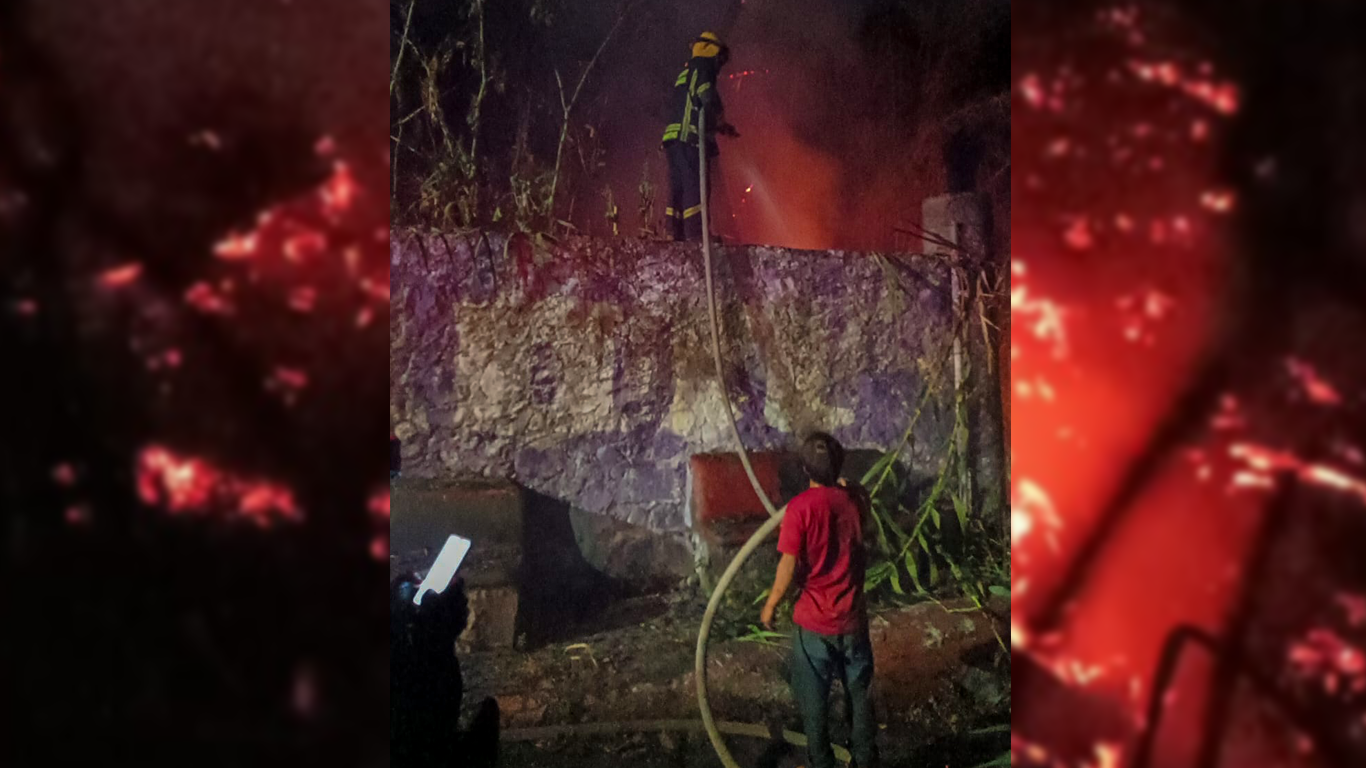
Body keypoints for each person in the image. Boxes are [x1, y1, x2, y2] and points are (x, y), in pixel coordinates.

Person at [761, 432, 879, 768]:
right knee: (860, 696)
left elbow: (787, 564)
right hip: (853, 621)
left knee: (814, 705)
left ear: (803, 469)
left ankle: (822, 762)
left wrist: (771, 604)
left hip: (813, 625)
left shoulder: (799, 510)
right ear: (840, 465)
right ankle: (865, 760)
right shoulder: (856, 500)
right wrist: (845, 486)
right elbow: (861, 503)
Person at [661, 31, 739, 241]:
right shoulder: (704, 68)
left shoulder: (686, 72)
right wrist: (719, 119)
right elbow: (706, 98)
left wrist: (721, 127)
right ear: (712, 52)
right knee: (696, 186)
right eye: (720, 58)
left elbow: (691, 105)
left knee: (677, 187)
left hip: (673, 139)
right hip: (690, 139)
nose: (720, 65)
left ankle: (674, 234)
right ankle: (697, 236)